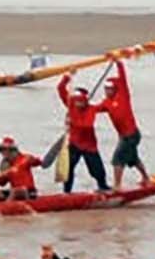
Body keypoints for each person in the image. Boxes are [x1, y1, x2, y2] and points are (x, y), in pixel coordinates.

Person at [56, 72, 110, 193]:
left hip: (89, 146)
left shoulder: (91, 110)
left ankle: (103, 187)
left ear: (85, 101)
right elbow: (60, 88)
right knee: (68, 168)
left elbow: (87, 125)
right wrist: (67, 77)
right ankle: (67, 192)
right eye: (76, 102)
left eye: (80, 102)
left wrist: (72, 121)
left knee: (96, 170)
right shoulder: (71, 104)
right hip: (74, 143)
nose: (78, 104)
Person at [102, 59, 145, 188]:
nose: (107, 91)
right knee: (133, 158)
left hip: (132, 135)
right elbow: (92, 109)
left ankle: (117, 186)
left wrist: (118, 63)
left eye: (109, 89)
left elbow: (123, 79)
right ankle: (146, 178)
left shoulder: (123, 95)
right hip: (123, 136)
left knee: (117, 160)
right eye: (105, 89)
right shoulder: (106, 103)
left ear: (115, 89)